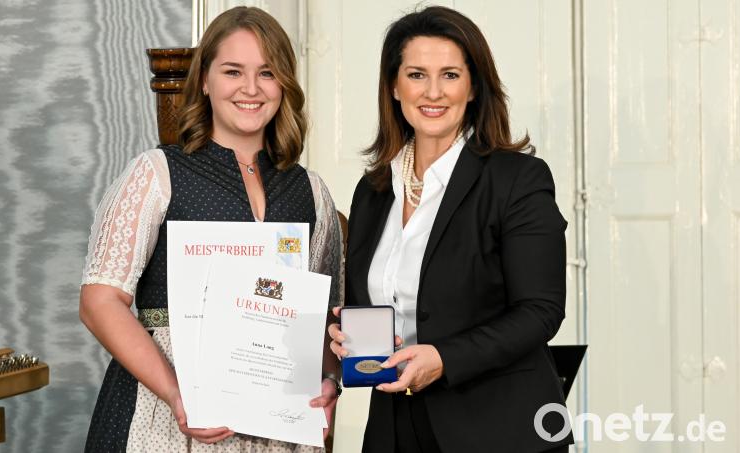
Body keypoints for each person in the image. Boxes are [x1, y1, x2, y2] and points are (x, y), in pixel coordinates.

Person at [79, 7, 342, 452]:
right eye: (233, 71)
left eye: (267, 73)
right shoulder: (158, 173)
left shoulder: (310, 190)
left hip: (274, 426)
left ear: (284, 84)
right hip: (162, 414)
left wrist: (329, 380)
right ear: (204, 79)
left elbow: (323, 322)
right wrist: (178, 395)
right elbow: (99, 302)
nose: (251, 89)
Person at [328, 6, 573, 453]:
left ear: (474, 87)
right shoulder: (374, 190)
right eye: (417, 75)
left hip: (497, 429)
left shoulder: (517, 179)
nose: (433, 92)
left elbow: (540, 310)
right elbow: (373, 303)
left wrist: (443, 359)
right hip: (394, 427)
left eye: (451, 75)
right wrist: (348, 335)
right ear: (394, 86)